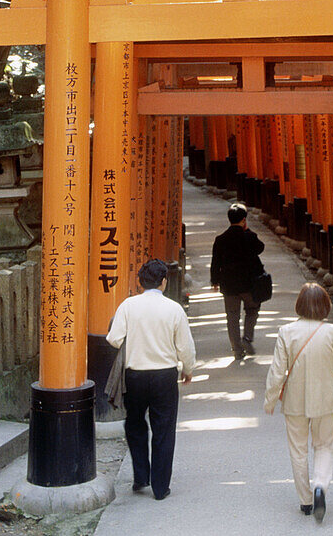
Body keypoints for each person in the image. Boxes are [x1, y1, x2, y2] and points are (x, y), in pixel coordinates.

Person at [107, 259, 196, 501]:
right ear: (164, 281)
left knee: (134, 423)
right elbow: (185, 347)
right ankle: (160, 486)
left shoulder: (128, 305)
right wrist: (188, 369)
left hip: (134, 375)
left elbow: (114, 339)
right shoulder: (174, 309)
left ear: (140, 282)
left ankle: (140, 476)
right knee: (163, 429)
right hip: (164, 375)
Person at [264, 283, 333, 523]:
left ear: (299, 305)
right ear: (325, 306)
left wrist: (270, 399)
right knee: (324, 445)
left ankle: (305, 500)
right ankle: (320, 485)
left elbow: (277, 370)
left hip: (294, 401)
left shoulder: (286, 332)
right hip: (324, 398)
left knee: (298, 449)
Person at [210, 203, 266, 360]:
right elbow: (260, 248)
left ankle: (237, 349)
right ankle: (247, 338)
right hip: (249, 283)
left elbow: (216, 262)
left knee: (232, 316)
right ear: (244, 220)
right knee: (252, 310)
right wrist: (247, 230)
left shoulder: (220, 239)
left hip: (229, 284)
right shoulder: (249, 237)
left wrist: (215, 281)